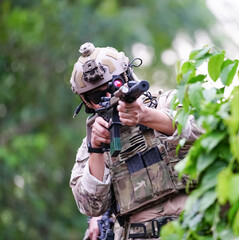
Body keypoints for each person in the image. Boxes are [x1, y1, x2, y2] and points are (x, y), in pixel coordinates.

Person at [69, 42, 202, 239]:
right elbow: (91, 206)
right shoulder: (92, 141)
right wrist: (96, 150)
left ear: (126, 76)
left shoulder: (168, 102)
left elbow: (205, 132)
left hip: (194, 225)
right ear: (86, 102)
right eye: (97, 95)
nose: (108, 96)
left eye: (113, 86)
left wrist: (147, 116)